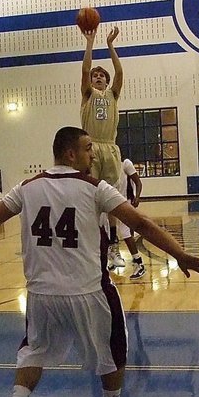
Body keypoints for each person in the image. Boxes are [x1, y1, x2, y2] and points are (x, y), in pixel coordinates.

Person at [0, 127, 199, 397]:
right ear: (69, 153)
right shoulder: (94, 187)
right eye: (87, 148)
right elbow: (140, 223)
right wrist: (179, 254)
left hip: (41, 293)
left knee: (33, 349)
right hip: (88, 290)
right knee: (113, 345)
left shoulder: (27, 187)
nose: (93, 154)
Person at [80, 26, 124, 268]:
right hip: (91, 148)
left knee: (112, 199)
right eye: (95, 76)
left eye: (101, 76)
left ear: (106, 81)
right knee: (92, 200)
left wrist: (110, 46)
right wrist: (91, 41)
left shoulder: (113, 95)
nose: (97, 77)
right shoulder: (88, 95)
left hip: (110, 148)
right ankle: (94, 246)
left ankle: (114, 246)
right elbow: (85, 68)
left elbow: (119, 71)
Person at [113, 158, 145, 279]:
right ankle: (112, 258)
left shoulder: (125, 163)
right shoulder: (107, 166)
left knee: (125, 232)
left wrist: (137, 197)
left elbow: (138, 182)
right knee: (108, 231)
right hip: (112, 202)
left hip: (125, 202)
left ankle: (139, 263)